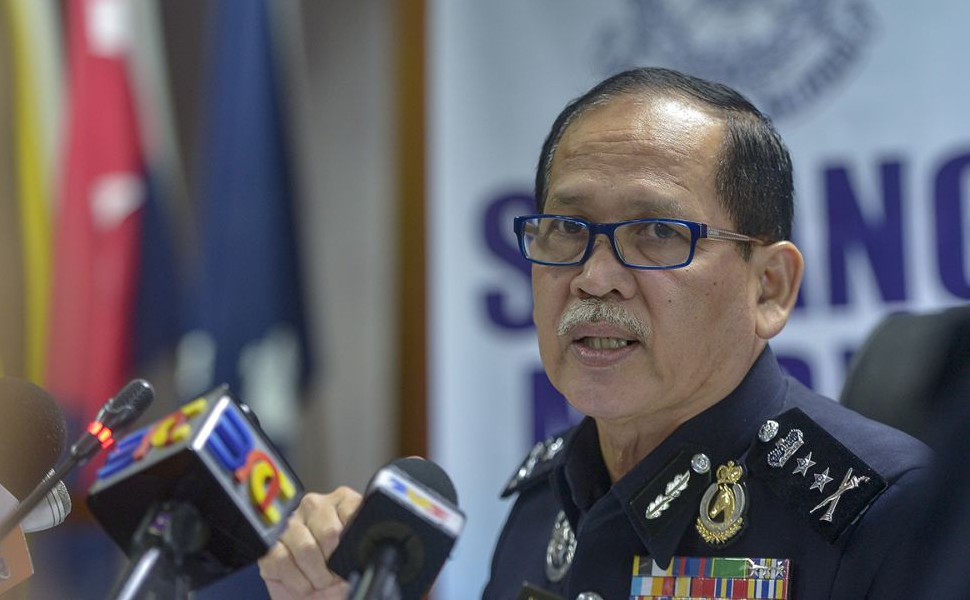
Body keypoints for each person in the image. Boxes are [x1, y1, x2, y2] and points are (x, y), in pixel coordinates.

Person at [258, 68, 931, 600]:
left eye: (660, 232)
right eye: (567, 230)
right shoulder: (544, 500)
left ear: (770, 288)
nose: (594, 277)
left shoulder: (883, 513)